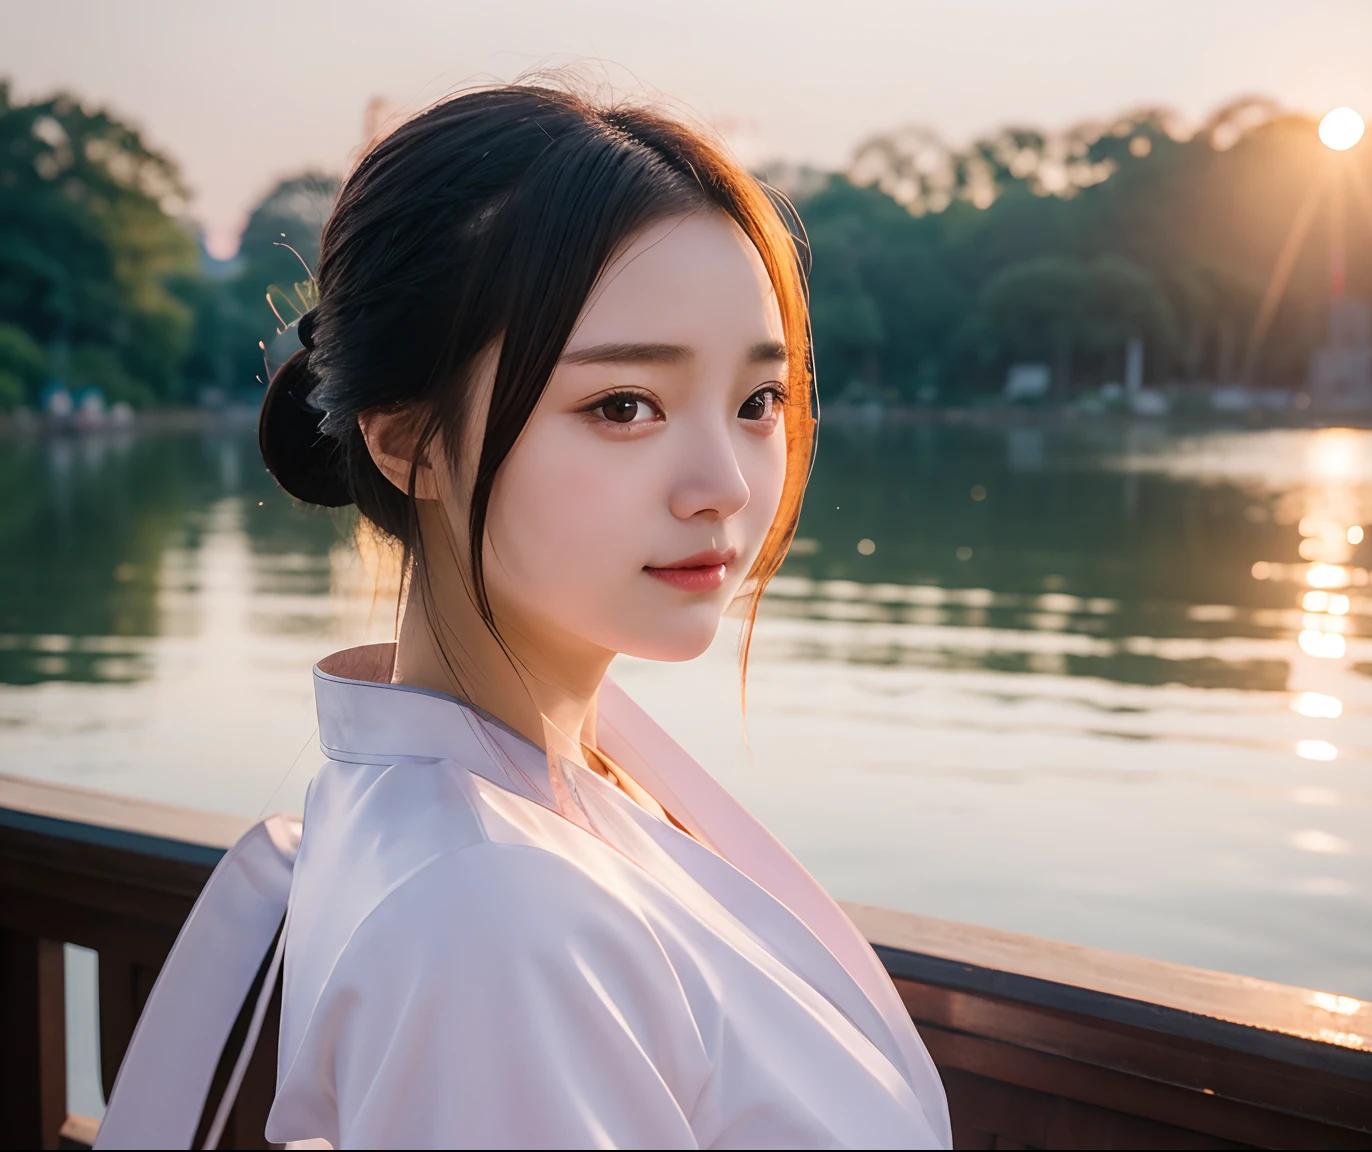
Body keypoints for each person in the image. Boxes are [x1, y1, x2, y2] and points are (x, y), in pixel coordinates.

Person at [94, 85, 950, 1150]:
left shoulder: (537, 773)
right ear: (409, 441)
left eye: (757, 402)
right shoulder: (490, 915)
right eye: (623, 405)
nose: (723, 483)